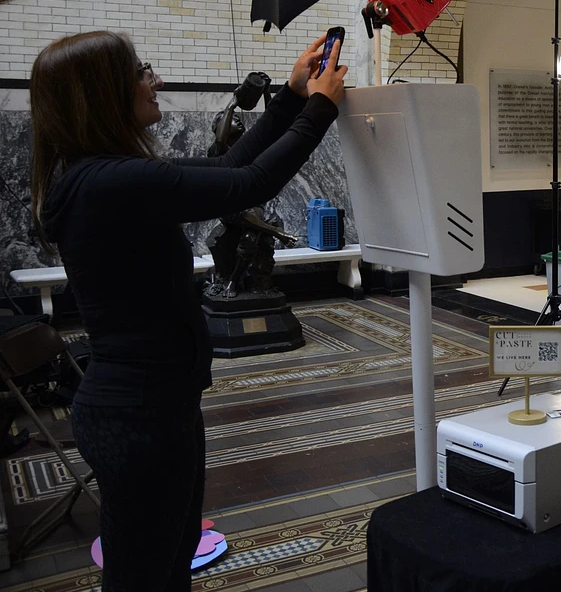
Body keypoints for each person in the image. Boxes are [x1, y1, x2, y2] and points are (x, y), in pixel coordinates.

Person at [30, 30, 346, 589]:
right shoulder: (110, 182)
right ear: (103, 94)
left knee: (167, 568)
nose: (156, 80)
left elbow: (228, 171)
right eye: (140, 71)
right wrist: (320, 108)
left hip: (157, 408)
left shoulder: (106, 174)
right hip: (138, 416)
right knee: (145, 577)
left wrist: (294, 96)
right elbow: (251, 182)